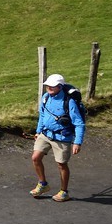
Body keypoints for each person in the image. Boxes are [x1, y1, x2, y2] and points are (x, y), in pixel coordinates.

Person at [30, 74, 85, 202]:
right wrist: (38, 131)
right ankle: (42, 184)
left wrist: (77, 142)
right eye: (48, 85)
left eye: (52, 86)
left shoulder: (69, 102)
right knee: (35, 158)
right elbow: (42, 116)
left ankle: (64, 192)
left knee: (61, 164)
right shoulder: (45, 98)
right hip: (45, 134)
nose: (49, 87)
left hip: (62, 137)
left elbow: (79, 123)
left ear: (60, 87)